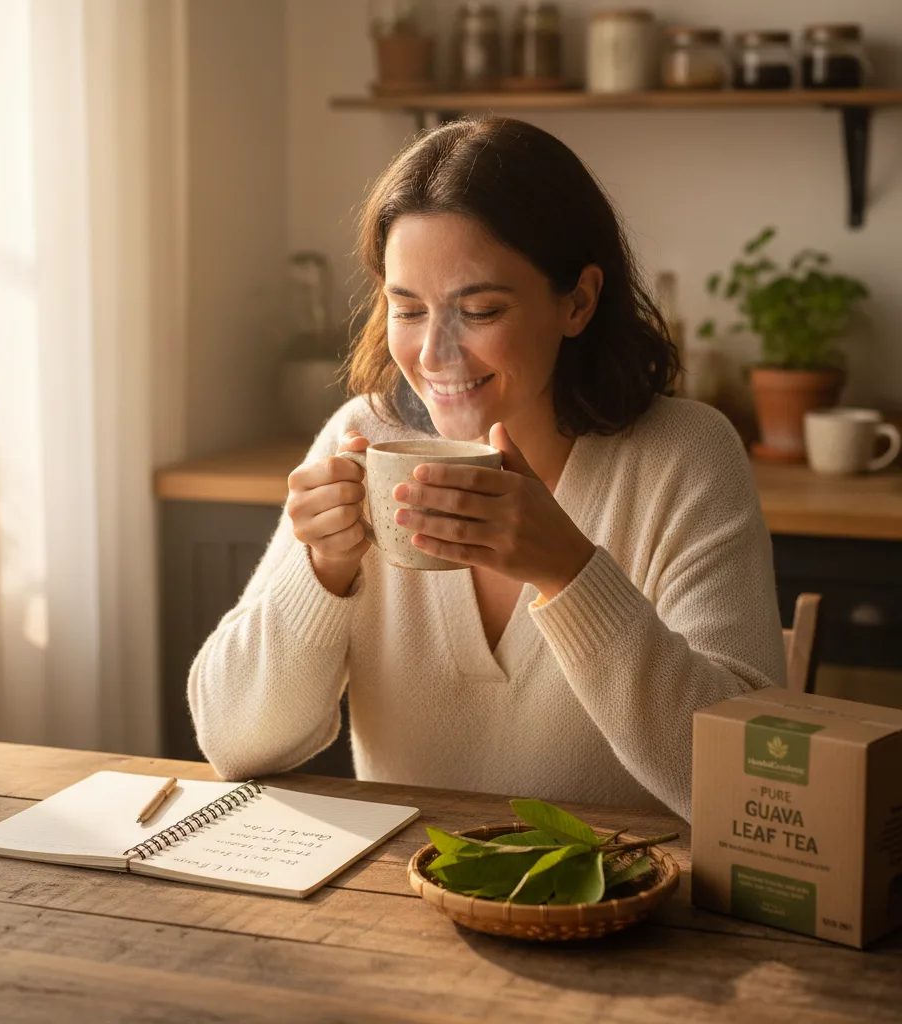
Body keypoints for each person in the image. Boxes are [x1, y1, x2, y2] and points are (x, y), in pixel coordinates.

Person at [188, 117, 785, 822]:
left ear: (578, 300)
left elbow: (743, 791)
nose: (436, 355)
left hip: (622, 914)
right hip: (398, 908)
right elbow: (231, 743)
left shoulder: (683, 457)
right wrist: (321, 573)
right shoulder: (362, 438)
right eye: (407, 310)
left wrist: (571, 574)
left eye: (480, 309)